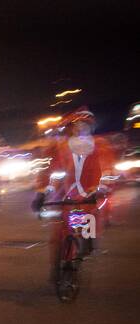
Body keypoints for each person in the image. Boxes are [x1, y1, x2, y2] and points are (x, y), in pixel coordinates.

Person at [34, 107, 112, 271]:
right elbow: (54, 173)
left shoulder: (99, 146)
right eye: (78, 125)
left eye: (86, 125)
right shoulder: (61, 148)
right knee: (59, 233)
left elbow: (106, 170)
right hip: (65, 196)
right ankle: (59, 266)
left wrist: (101, 188)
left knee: (89, 223)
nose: (81, 129)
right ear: (71, 128)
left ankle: (87, 240)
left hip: (89, 195)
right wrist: (42, 192)